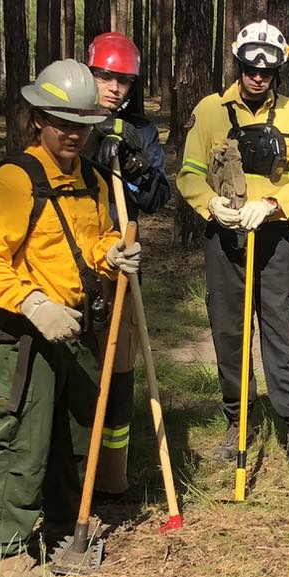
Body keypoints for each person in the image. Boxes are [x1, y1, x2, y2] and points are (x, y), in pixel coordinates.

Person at [0, 59, 141, 566]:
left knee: (75, 437)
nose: (73, 134)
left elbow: (95, 240)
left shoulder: (93, 180)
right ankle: (6, 549)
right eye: (62, 123)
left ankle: (64, 528)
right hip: (25, 334)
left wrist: (111, 255)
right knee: (25, 442)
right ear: (39, 118)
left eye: (83, 124)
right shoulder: (13, 181)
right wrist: (33, 303)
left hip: (78, 328)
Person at [175, 19, 289, 477]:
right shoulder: (209, 111)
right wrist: (210, 206)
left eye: (265, 71)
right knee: (229, 332)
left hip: (272, 236)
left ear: (276, 71)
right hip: (224, 236)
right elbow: (188, 172)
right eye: (250, 69)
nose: (257, 77)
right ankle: (238, 420)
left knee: (283, 331)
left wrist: (272, 205)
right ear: (239, 66)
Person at [86, 31, 170, 500]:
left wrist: (137, 169)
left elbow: (157, 198)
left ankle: (111, 475)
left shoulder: (142, 130)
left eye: (124, 81)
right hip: (71, 260)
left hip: (121, 259)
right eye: (106, 77)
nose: (115, 88)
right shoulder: (68, 122)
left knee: (119, 367)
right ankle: (72, 467)